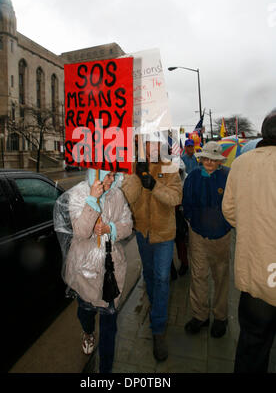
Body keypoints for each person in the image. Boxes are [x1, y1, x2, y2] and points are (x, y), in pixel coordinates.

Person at [53, 168, 132, 374]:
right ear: (94, 174)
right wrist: (92, 201)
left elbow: (128, 224)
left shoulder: (117, 194)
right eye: (107, 175)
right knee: (85, 310)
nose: (111, 180)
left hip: (110, 270)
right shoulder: (79, 194)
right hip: (84, 270)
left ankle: (105, 371)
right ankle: (88, 331)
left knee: (109, 323)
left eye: (114, 175)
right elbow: (80, 232)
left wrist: (111, 228)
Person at [222, 110, 276, 373]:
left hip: (256, 275)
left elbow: (229, 211)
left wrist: (253, 226)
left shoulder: (241, 164)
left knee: (252, 347)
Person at [121, 132, 183, 361]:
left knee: (162, 277)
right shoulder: (134, 166)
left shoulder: (169, 167)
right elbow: (128, 196)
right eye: (147, 143)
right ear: (141, 145)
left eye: (156, 143)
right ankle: (156, 307)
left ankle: (158, 329)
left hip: (164, 235)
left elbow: (176, 197)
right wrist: (137, 176)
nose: (152, 147)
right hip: (142, 233)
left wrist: (154, 185)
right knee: (149, 275)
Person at [182, 141, 232, 338]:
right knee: (198, 276)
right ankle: (200, 315)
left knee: (221, 278)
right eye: (206, 158)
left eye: (214, 159)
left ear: (219, 161)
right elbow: (187, 202)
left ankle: (220, 317)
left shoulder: (227, 176)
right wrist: (193, 221)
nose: (209, 162)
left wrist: (227, 225)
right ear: (201, 158)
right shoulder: (193, 176)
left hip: (222, 237)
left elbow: (233, 204)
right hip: (198, 236)